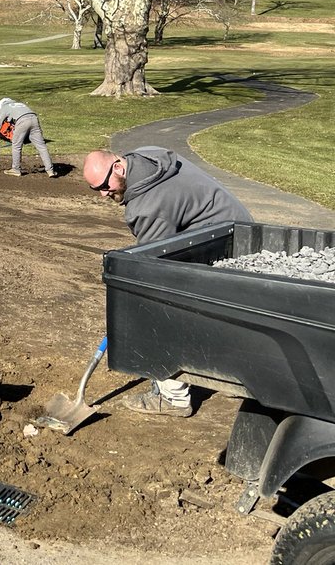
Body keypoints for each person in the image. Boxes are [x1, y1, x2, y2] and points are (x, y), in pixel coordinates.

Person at [83, 146, 253, 417]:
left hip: (222, 245)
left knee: (155, 310)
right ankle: (238, 373)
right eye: (96, 190)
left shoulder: (149, 207)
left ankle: (172, 397)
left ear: (118, 167)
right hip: (236, 229)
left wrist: (128, 301)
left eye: (104, 186)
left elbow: (154, 269)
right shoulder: (147, 155)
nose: (103, 194)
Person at [0, 97, 55, 177]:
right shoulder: (20, 104)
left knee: (16, 146)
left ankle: (15, 169)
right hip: (34, 119)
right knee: (41, 146)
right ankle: (50, 171)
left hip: (22, 121)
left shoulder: (4, 107)